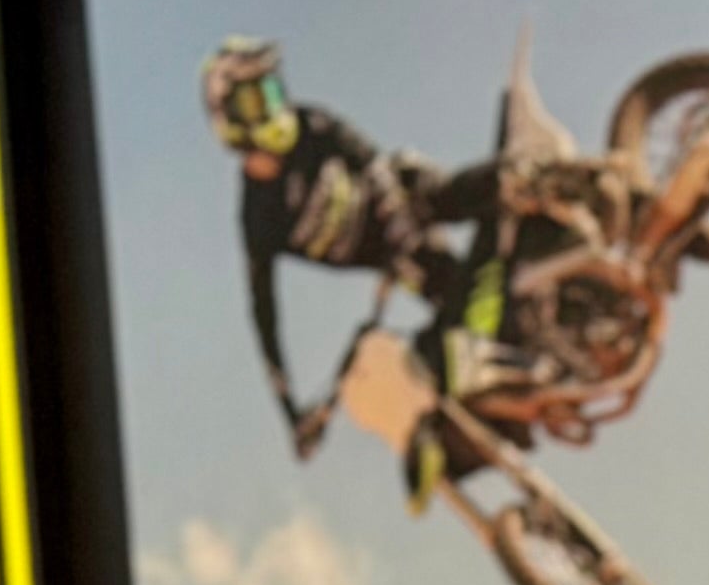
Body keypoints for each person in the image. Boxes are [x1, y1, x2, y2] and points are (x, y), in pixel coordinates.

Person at [202, 37, 505, 493]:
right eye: (257, 99)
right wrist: (292, 413)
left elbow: (371, 160)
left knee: (444, 197)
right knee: (458, 321)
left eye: (274, 90)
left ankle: (521, 178)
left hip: (403, 196)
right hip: (394, 259)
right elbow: (264, 317)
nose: (275, 106)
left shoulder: (312, 124)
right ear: (228, 117)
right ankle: (483, 410)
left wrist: (397, 218)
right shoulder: (258, 218)